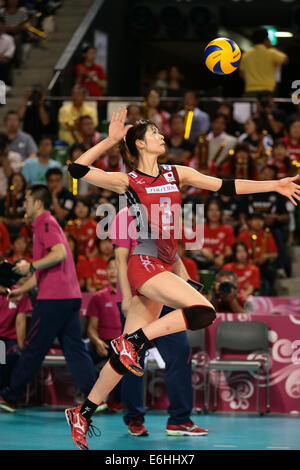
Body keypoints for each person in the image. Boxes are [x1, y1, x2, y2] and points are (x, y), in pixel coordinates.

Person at [65, 107, 300, 450]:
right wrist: (111, 140)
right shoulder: (128, 180)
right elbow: (77, 168)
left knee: (123, 358)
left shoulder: (178, 173)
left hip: (162, 264)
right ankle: (131, 343)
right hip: (143, 263)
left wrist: (275, 184)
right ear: (140, 144)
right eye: (155, 134)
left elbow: (226, 186)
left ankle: (83, 412)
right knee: (203, 310)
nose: (162, 136)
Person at [0, 184, 96, 412]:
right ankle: (95, 398)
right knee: (74, 349)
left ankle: (10, 396)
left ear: (38, 203)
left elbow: (59, 254)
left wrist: (30, 266)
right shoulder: (47, 224)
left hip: (54, 299)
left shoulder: (44, 222)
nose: (24, 203)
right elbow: (46, 269)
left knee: (33, 348)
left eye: (26, 199)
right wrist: (23, 289)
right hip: (69, 297)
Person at [111, 207, 205, 437]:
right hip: (138, 299)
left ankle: (179, 420)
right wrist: (125, 296)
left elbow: (174, 255)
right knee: (134, 359)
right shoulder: (124, 216)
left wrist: (188, 286)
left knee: (180, 352)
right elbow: (120, 259)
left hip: (165, 297)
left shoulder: (164, 214)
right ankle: (134, 418)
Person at [86, 256, 123, 411]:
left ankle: (117, 401)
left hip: (122, 343)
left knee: (123, 359)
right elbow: (91, 328)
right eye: (110, 268)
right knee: (85, 358)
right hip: (103, 343)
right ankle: (94, 399)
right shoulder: (98, 297)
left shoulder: (130, 298)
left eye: (117, 267)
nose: (113, 271)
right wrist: (96, 341)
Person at [0, 284, 32, 391]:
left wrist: (22, 348)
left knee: (12, 353)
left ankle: (5, 392)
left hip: (10, 339)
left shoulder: (18, 293)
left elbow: (20, 323)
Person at [239, 28, 288, 96]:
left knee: (251, 106)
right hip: (268, 91)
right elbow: (285, 59)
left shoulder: (246, 54)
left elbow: (242, 73)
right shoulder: (271, 53)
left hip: (250, 90)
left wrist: (252, 80)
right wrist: (271, 47)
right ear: (266, 40)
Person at [0, 15, 15, 87]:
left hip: (4, 60)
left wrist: (3, 57)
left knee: (4, 65)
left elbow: (10, 52)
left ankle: (4, 86)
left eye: (1, 24)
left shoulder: (9, 38)